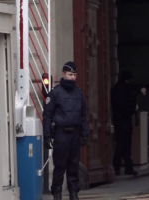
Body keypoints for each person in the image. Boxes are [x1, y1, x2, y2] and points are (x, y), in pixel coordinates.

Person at [43, 61, 88, 200]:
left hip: (75, 133)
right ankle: (57, 193)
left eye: (74, 75)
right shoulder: (55, 93)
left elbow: (83, 115)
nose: (72, 78)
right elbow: (47, 115)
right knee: (60, 166)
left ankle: (73, 193)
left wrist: (84, 134)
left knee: (73, 166)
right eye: (70, 74)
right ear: (63, 74)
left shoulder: (79, 92)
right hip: (61, 134)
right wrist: (47, 135)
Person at [111, 70, 138, 176]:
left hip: (118, 119)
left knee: (121, 143)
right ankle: (121, 166)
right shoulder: (126, 89)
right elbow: (127, 104)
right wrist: (133, 107)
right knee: (125, 144)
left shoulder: (115, 89)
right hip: (125, 119)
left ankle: (120, 166)